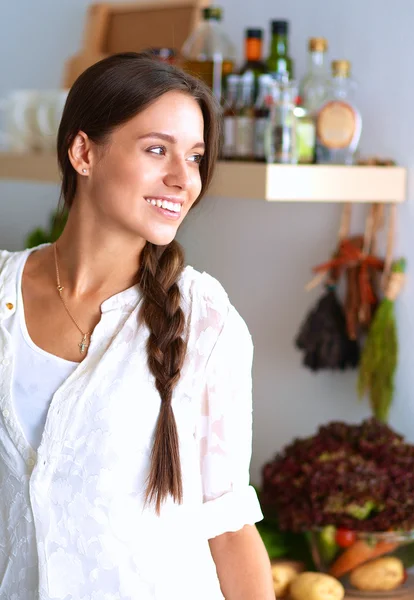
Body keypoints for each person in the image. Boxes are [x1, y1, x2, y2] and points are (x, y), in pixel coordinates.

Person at [0, 52, 275, 599]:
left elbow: (230, 529)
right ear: (84, 152)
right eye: (157, 150)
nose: (182, 179)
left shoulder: (206, 320)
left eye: (194, 157)